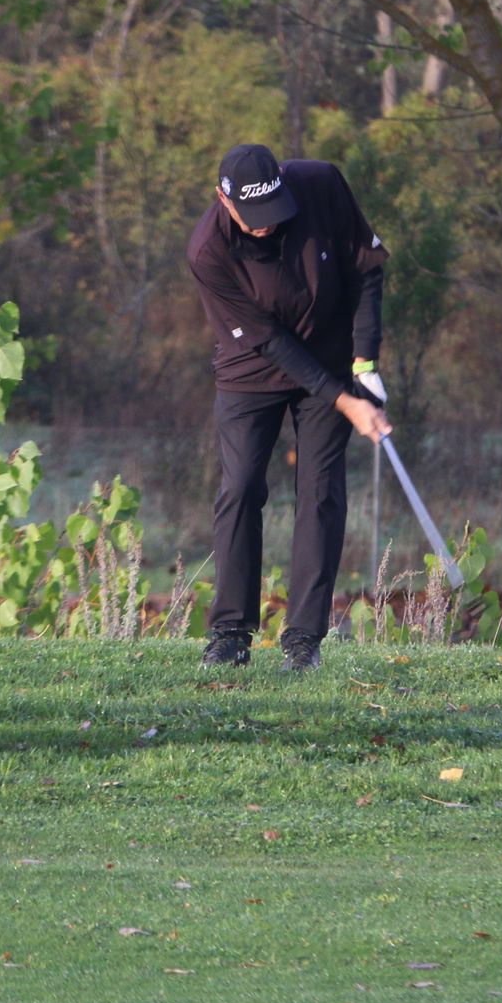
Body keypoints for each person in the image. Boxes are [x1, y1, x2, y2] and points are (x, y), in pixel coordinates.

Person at [186, 143, 392, 671]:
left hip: (329, 351)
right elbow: (268, 340)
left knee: (320, 492)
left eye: (272, 210)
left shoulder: (321, 184)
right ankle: (231, 633)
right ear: (224, 200)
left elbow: (367, 268)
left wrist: (365, 362)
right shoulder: (208, 251)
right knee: (240, 487)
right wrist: (346, 402)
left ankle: (303, 639)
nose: (265, 224)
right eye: (252, 215)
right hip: (251, 366)